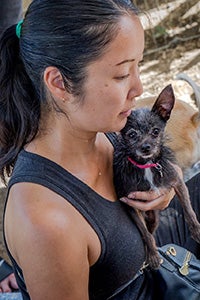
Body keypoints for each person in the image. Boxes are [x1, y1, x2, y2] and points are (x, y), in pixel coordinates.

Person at [0, 0, 199, 299]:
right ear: (59, 83)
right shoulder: (47, 222)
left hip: (157, 261)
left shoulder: (106, 129)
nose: (140, 87)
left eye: (138, 66)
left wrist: (165, 191)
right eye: (121, 75)